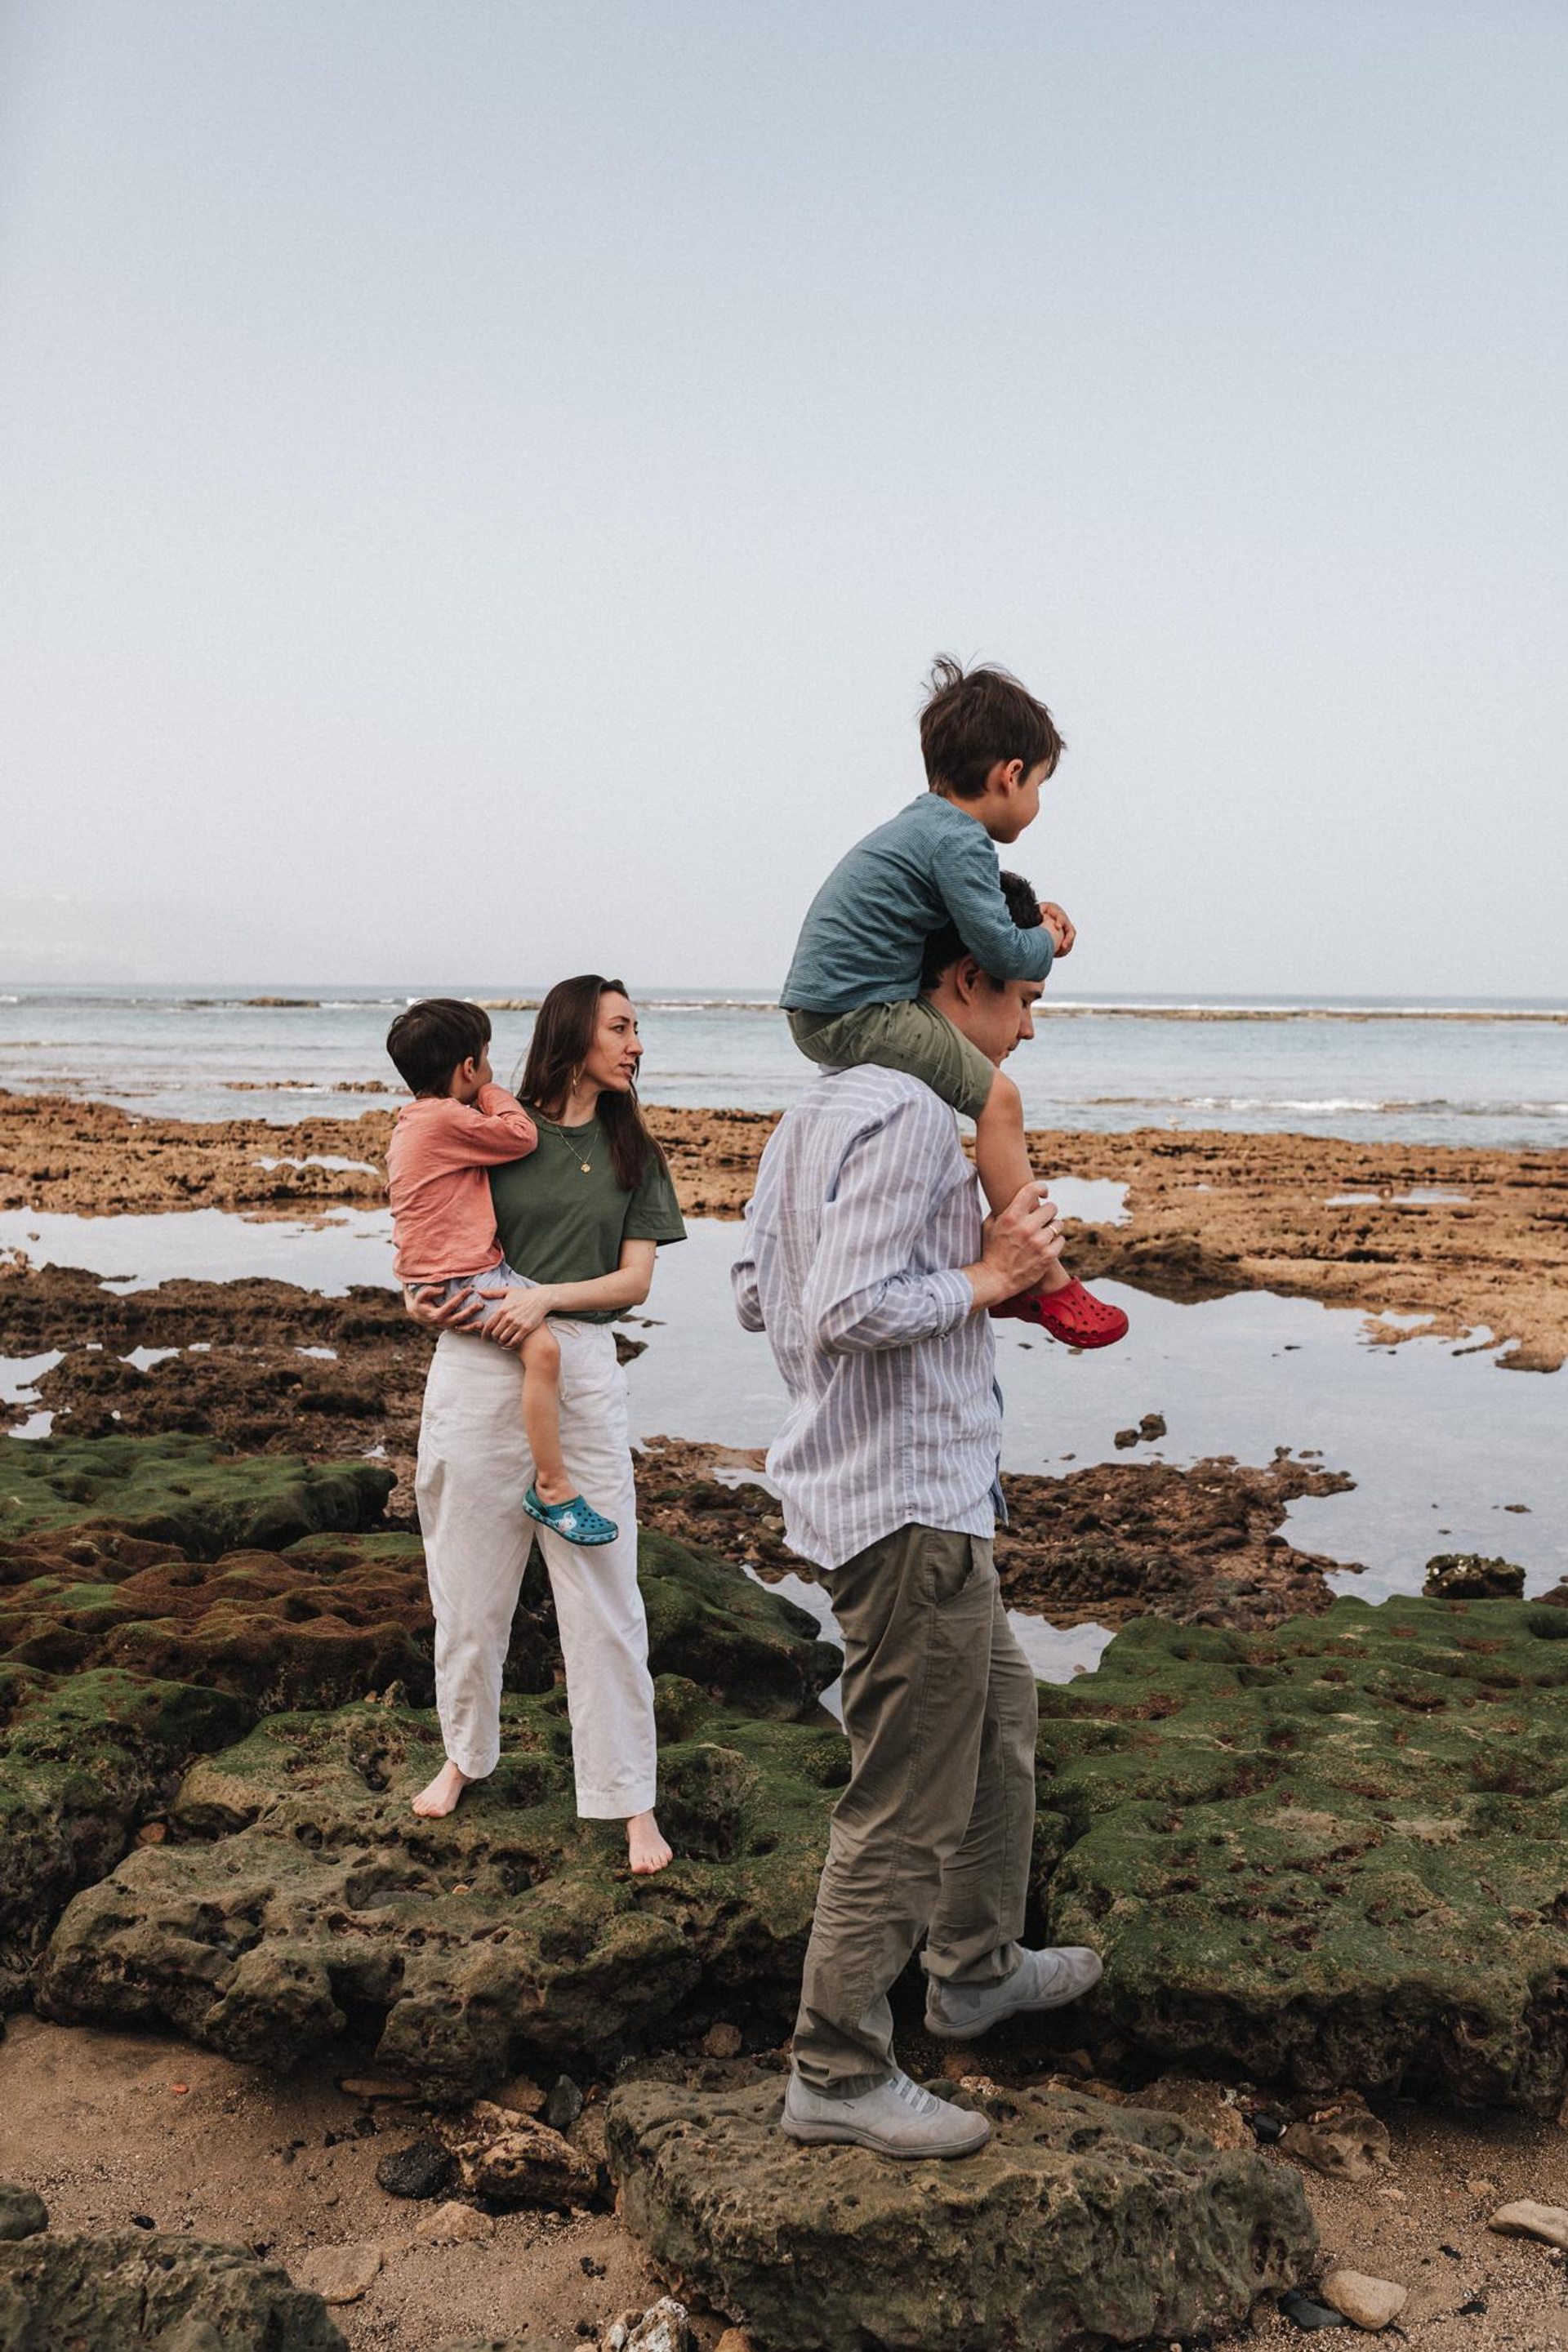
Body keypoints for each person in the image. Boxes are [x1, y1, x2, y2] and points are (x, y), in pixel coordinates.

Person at [733, 871, 1103, 2159]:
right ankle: (835, 2071)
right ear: (964, 980)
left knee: (1001, 1720)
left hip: (897, 1488)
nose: (1030, 1026)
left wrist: (963, 1280)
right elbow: (845, 1309)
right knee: (904, 1799)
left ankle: (976, 1971)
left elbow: (758, 1292)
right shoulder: (904, 1111)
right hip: (905, 1507)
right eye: (1025, 997)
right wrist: (993, 1274)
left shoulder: (819, 1106)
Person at [404, 976, 685, 1877]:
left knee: (606, 1599)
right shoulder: (496, 1126)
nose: (636, 1044)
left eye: (636, 1029)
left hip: (580, 1369)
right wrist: (426, 1298)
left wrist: (547, 1300)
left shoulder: (634, 1150)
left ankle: (630, 1800)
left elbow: (634, 1281)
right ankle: (463, 1755)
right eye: (620, 1027)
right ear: (573, 1035)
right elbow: (429, 1222)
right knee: (467, 1591)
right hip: (477, 1366)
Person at [779, 654, 1126, 1351]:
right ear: (1010, 774)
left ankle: (1005, 1259)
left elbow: (980, 923)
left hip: (826, 1009)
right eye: (1041, 786)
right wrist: (1047, 940)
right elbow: (1000, 951)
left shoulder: (922, 828)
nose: (1036, 803)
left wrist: (1029, 925)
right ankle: (1045, 1278)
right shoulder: (960, 839)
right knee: (999, 1100)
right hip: (859, 1009)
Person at [385, 997, 618, 1548]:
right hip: (462, 1275)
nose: (490, 1069)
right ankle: (552, 1486)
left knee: (543, 1310)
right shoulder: (448, 1118)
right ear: (468, 1067)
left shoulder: (412, 1123)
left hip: (441, 1272)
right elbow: (520, 1134)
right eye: (485, 1058)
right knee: (544, 1352)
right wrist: (490, 1092)